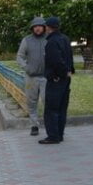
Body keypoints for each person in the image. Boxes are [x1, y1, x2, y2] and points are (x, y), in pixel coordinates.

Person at [39, 16, 74, 145]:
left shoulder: (52, 42)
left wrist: (59, 74)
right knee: (62, 108)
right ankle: (59, 134)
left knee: (52, 108)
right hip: (66, 79)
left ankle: (53, 136)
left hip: (56, 79)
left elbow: (56, 61)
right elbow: (69, 56)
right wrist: (69, 71)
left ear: (48, 27)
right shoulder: (65, 39)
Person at [16, 17, 47, 136]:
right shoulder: (27, 40)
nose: (38, 28)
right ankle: (34, 125)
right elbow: (19, 57)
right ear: (32, 28)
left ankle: (49, 124)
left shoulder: (48, 39)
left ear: (44, 27)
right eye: (35, 26)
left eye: (40, 26)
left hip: (46, 77)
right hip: (31, 77)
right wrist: (26, 67)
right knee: (31, 102)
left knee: (47, 101)